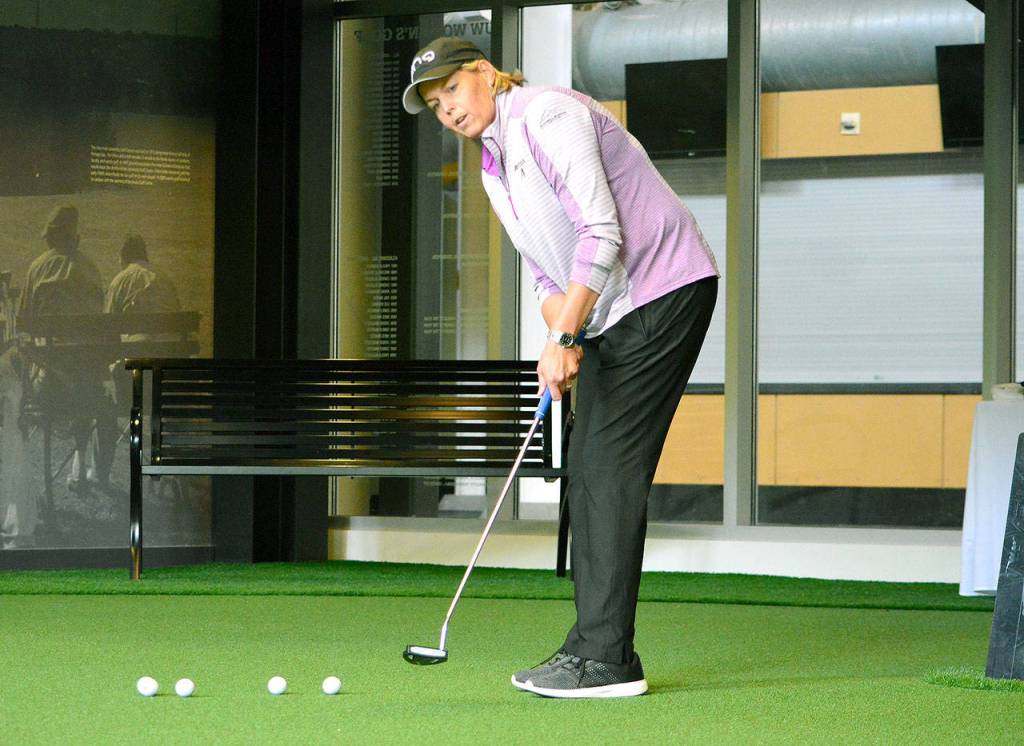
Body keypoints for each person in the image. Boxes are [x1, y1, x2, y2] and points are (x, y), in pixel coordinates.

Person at [402, 37, 720, 699]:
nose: (448, 111)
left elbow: (602, 231)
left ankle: (606, 660)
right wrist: (563, 335)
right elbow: (546, 269)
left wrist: (570, 329)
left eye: (452, 90)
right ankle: (591, 646)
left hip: (663, 288)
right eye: (435, 105)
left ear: (485, 74)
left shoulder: (548, 115)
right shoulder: (493, 166)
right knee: (589, 465)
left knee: (607, 464)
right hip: (610, 311)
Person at [18, 205, 112, 493]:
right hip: (87, 386)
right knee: (90, 386)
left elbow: (24, 325)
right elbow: (102, 329)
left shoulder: (37, 268)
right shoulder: (91, 268)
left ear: (51, 238)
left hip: (48, 386)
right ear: (76, 237)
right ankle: (85, 469)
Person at [105, 234, 181, 316]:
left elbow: (109, 320)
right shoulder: (164, 279)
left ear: (123, 256)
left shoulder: (120, 281)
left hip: (135, 328)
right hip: (165, 327)